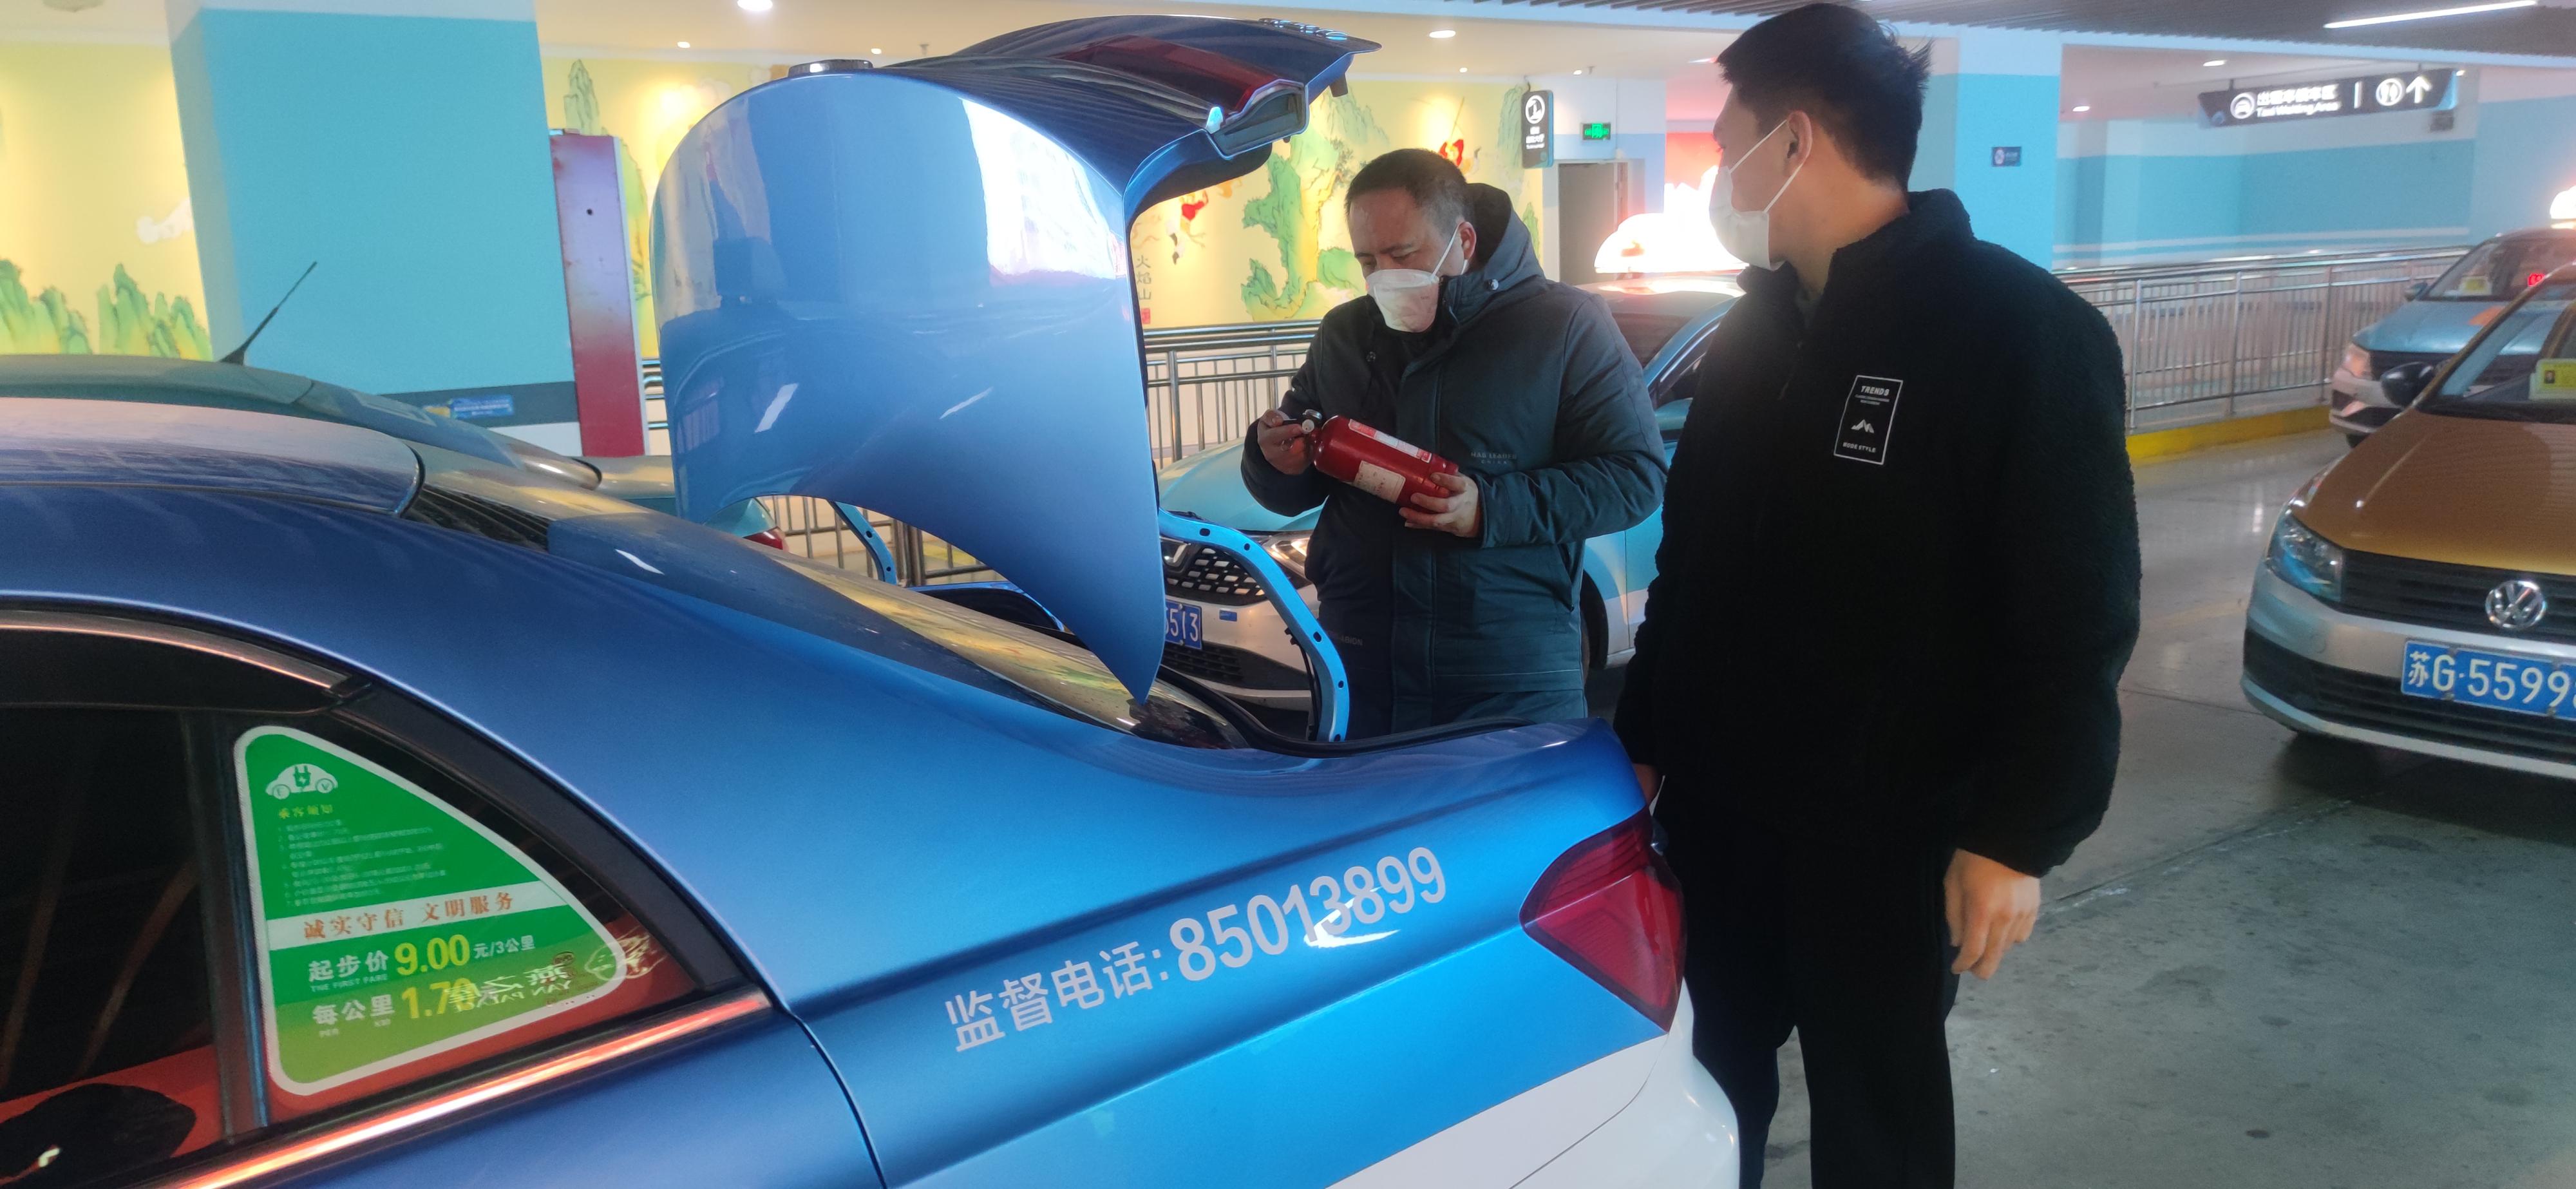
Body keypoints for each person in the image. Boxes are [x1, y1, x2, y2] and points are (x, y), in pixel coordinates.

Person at [1614, 6, 2141, 1187]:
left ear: (1794, 141)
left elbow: (2073, 611)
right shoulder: (1752, 334)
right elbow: (1695, 566)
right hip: (1725, 813)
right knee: (1705, 1088)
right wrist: (1645, 739)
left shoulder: (2018, 331)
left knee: (1877, 1118)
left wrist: (2017, 834)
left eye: (1726, 144)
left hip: (1889, 833)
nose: (1718, 175)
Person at [1242, 149, 1663, 737]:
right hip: (1361, 665)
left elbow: (1635, 477)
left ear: (1463, 240)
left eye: (1402, 254)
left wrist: (1490, 509)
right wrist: (1272, 461)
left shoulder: (1565, 325)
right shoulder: (1346, 332)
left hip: (1505, 674)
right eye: (1367, 260)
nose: (1383, 275)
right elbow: (1291, 483)